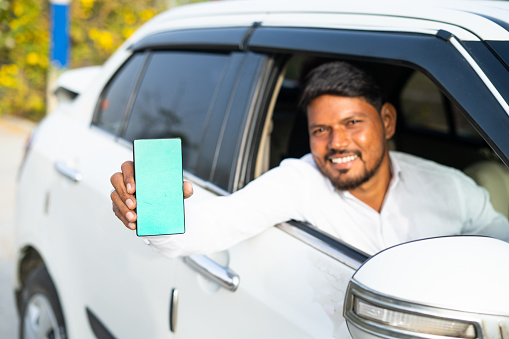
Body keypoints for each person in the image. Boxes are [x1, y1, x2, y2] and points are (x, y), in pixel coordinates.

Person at [110, 61, 509, 257]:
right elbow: (214, 225)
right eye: (321, 130)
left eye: (353, 122)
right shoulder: (299, 182)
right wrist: (153, 212)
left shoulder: (450, 187)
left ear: (386, 121)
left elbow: (498, 238)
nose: (337, 142)